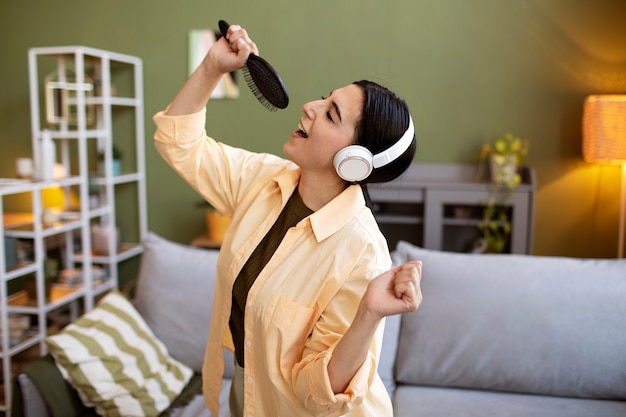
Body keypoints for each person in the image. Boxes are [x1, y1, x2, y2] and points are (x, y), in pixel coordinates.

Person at [153, 23, 422, 417]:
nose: (309, 108)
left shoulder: (362, 253)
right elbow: (178, 144)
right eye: (322, 99)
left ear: (355, 161)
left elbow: (319, 396)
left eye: (331, 114)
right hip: (245, 396)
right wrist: (212, 66)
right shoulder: (264, 181)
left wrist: (369, 314)